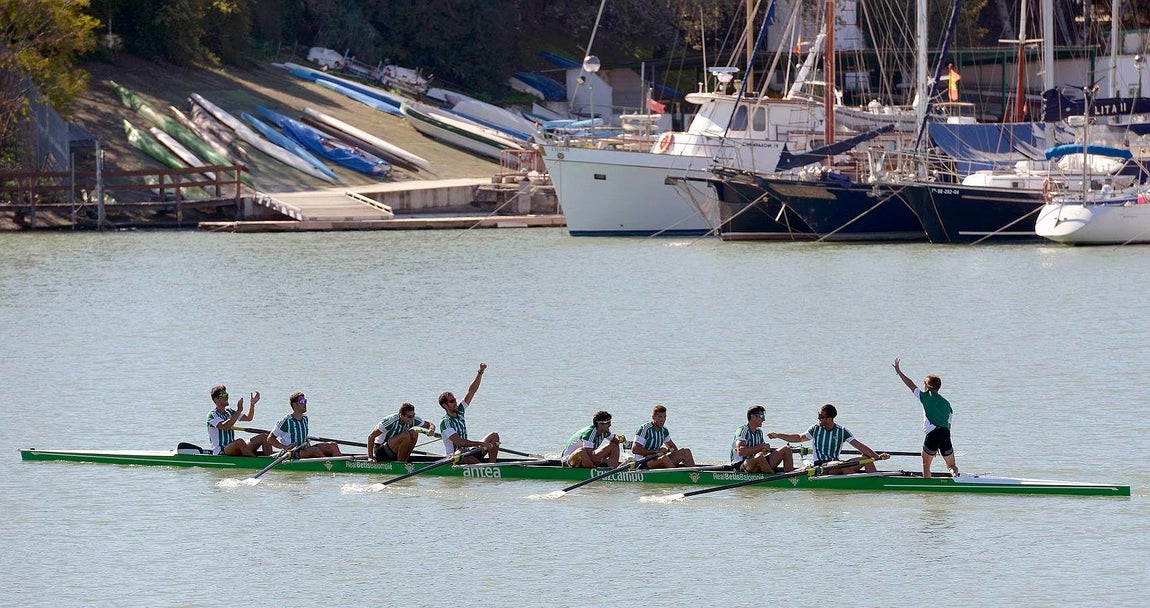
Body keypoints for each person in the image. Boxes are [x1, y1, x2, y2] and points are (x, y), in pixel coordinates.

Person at [768, 404, 888, 474]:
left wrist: (877, 457)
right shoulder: (815, 429)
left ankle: (875, 481)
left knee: (867, 458)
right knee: (843, 465)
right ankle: (859, 483)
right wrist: (778, 435)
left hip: (836, 464)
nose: (818, 418)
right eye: (819, 416)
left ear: (830, 418)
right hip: (822, 466)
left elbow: (859, 446)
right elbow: (799, 437)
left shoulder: (842, 431)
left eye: (821, 416)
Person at [894, 358, 959, 478]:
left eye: (924, 382)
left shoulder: (924, 397)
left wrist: (899, 371)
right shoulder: (947, 404)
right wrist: (939, 444)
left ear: (927, 386)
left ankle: (927, 487)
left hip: (933, 434)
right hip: (945, 434)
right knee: (951, 465)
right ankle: (955, 476)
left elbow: (910, 383)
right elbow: (948, 426)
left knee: (926, 463)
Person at [438, 363, 500, 463]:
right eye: (452, 401)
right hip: (455, 457)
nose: (455, 402)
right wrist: (481, 444)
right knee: (460, 451)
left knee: (494, 436)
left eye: (454, 399)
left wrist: (480, 372)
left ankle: (492, 466)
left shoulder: (460, 410)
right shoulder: (445, 422)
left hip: (469, 452)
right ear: (445, 405)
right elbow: (459, 442)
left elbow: (471, 391)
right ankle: (485, 468)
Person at [266, 392, 342, 459]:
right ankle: (329, 466)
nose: (305, 403)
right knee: (314, 450)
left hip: (304, 449)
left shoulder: (305, 419)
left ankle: (341, 465)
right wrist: (285, 447)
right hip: (292, 453)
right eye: (302, 401)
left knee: (333, 445)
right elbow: (270, 439)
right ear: (295, 404)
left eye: (305, 401)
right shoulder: (286, 421)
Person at [206, 385, 270, 456]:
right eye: (223, 395)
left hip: (234, 448)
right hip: (221, 451)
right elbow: (225, 426)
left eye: (227, 394)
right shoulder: (212, 415)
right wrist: (239, 410)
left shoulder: (230, 412)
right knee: (240, 442)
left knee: (264, 437)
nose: (227, 397)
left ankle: (271, 461)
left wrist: (252, 404)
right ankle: (256, 463)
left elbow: (248, 418)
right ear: (216, 399)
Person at [731, 405, 793, 473]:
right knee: (759, 456)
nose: (764, 419)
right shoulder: (743, 430)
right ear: (753, 417)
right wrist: (761, 447)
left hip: (755, 464)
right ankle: (773, 479)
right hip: (740, 467)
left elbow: (762, 452)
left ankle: (791, 477)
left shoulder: (759, 432)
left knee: (786, 449)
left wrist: (765, 449)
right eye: (762, 416)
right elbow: (740, 451)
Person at [367, 402, 436, 462]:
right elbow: (371, 436)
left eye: (413, 415)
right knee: (405, 435)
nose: (412, 419)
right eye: (409, 416)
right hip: (381, 450)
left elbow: (429, 424)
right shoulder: (390, 421)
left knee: (414, 433)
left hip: (394, 450)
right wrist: (370, 457)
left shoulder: (413, 420)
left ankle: (403, 461)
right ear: (401, 415)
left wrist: (431, 430)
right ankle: (400, 464)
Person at [631, 404, 695, 469]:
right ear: (653, 417)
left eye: (665, 417)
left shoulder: (664, 431)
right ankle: (677, 476)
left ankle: (694, 475)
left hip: (658, 459)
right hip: (643, 462)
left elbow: (673, 447)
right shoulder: (644, 429)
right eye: (660, 417)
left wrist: (671, 453)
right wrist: (656, 451)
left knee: (686, 452)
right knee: (664, 458)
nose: (663, 420)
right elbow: (635, 449)